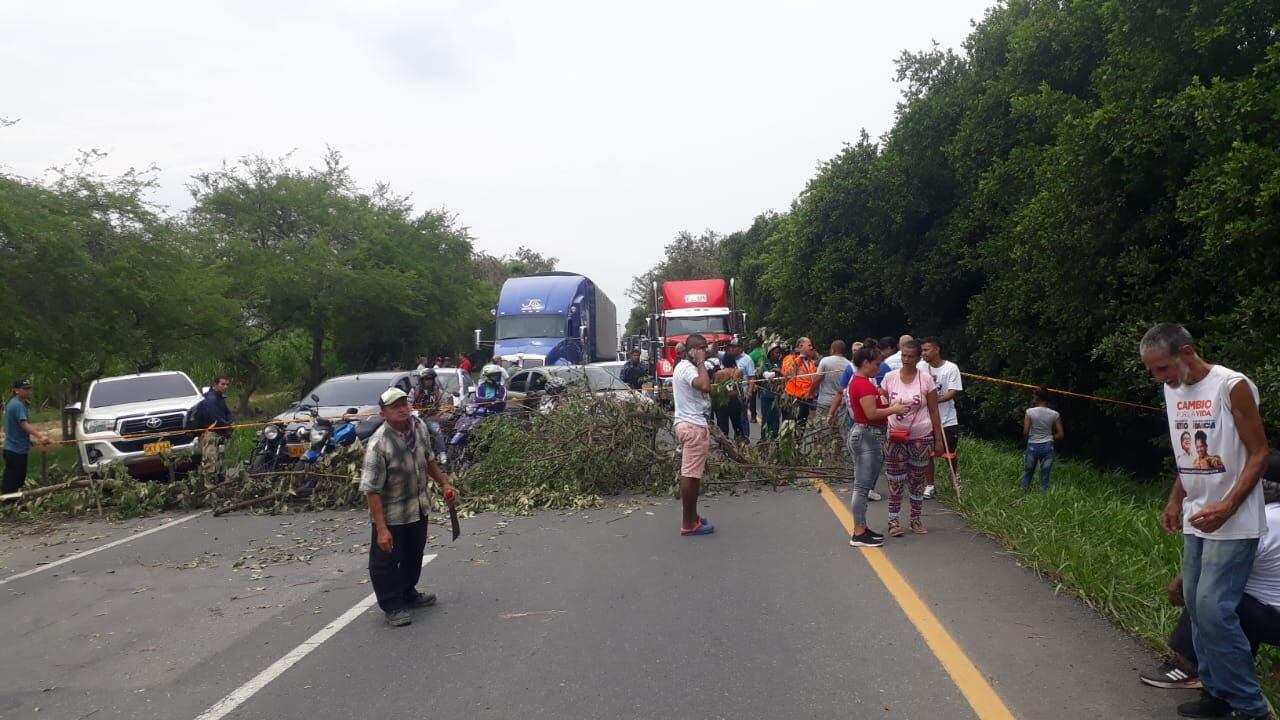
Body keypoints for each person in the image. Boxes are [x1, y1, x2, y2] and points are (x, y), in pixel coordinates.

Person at [1141, 322, 1270, 720]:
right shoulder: (1172, 390)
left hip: (1234, 519)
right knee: (1197, 609)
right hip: (1198, 517)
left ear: (1187, 351)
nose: (1158, 377)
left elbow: (1260, 453)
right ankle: (1216, 693)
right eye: (1152, 371)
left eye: (1162, 368)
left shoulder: (1232, 386)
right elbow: (1191, 453)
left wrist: (1229, 505)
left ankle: (1251, 708)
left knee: (1215, 609)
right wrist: (1175, 500)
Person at [1141, 460, 1280, 692]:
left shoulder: (1263, 520)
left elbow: (1218, 565)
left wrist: (1182, 581)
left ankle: (1188, 666)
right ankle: (1228, 673)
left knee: (1208, 594)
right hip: (1267, 612)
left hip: (1270, 617)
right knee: (1239, 596)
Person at [360, 388, 457, 627]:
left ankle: (408, 592)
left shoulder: (418, 426)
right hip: (391, 514)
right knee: (385, 563)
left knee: (414, 554)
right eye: (395, 406)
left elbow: (428, 458)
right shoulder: (378, 444)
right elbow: (371, 489)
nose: (403, 409)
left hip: (417, 507)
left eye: (404, 403)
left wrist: (444, 483)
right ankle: (391, 606)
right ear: (383, 414)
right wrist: (381, 529)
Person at [845, 347, 911, 547]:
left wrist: (889, 407)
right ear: (865, 363)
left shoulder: (862, 382)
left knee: (862, 485)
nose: (878, 367)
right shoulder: (862, 384)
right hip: (867, 437)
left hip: (866, 435)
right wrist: (895, 409)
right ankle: (858, 532)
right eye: (876, 364)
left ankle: (862, 528)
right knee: (862, 487)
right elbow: (871, 414)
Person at [880, 340, 944, 537]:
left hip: (921, 436)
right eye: (903, 355)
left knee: (917, 480)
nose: (906, 359)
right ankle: (893, 520)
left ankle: (915, 519)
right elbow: (881, 402)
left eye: (910, 356)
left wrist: (938, 439)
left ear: (917, 358)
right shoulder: (890, 378)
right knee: (895, 480)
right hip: (895, 437)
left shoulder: (926, 379)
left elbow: (934, 410)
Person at [673, 333, 714, 536]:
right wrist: (700, 362)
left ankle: (693, 516)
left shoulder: (682, 366)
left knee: (693, 474)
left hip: (687, 424)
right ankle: (688, 523)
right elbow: (704, 385)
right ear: (693, 350)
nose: (705, 352)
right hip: (693, 426)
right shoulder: (689, 368)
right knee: (690, 474)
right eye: (703, 348)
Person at [920, 337, 963, 499]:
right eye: (922, 350)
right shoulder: (920, 367)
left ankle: (955, 479)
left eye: (926, 350)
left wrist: (936, 399)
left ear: (937, 349)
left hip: (947, 418)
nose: (923, 353)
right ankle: (930, 485)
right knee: (927, 454)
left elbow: (954, 391)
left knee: (949, 453)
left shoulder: (951, 368)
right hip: (926, 419)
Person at [4, 379, 50, 494]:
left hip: (14, 448)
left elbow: (13, 428)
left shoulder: (14, 403)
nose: (29, 391)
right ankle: (9, 502)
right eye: (25, 389)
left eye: (29, 388)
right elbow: (23, 424)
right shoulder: (17, 405)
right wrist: (40, 436)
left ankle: (10, 501)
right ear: (16, 390)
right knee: (15, 479)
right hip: (15, 450)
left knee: (14, 478)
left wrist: (29, 441)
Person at [1020, 388, 1064, 490]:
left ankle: (1023, 493)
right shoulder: (1055, 414)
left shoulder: (1029, 412)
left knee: (1028, 472)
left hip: (1032, 446)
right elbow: (1061, 434)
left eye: (1034, 396)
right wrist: (1049, 437)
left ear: (1037, 398)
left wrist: (1026, 440)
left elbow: (1026, 431)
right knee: (1045, 474)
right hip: (1048, 447)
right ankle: (1044, 497)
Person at [192, 375, 233, 479]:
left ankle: (219, 480)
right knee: (210, 460)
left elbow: (227, 413)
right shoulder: (211, 398)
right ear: (215, 385)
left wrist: (229, 424)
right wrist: (227, 426)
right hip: (209, 433)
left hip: (219, 432)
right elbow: (216, 417)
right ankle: (208, 484)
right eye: (222, 384)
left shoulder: (220, 397)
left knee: (220, 458)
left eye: (227, 384)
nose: (225, 387)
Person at [816, 340, 852, 442]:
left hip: (825, 401)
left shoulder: (825, 361)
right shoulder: (848, 364)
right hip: (840, 402)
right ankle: (836, 455)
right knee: (838, 431)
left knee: (822, 429)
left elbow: (818, 379)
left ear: (832, 349)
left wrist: (810, 391)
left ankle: (822, 452)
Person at [412, 368, 448, 463]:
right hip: (416, 418)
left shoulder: (437, 391)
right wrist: (413, 411)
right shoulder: (415, 391)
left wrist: (439, 414)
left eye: (430, 379)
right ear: (421, 380)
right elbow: (408, 403)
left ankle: (441, 452)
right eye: (426, 379)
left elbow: (443, 404)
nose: (428, 381)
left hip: (431, 417)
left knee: (437, 432)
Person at [712, 346, 747, 441]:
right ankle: (741, 444)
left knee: (723, 426)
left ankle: (724, 446)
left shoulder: (719, 373)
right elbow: (739, 387)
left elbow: (716, 389)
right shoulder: (739, 372)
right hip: (735, 400)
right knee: (737, 425)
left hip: (722, 401)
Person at [782, 337, 818, 426]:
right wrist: (798, 360)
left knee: (801, 428)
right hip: (793, 399)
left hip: (806, 399)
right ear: (801, 346)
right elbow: (787, 374)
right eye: (809, 345)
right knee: (790, 428)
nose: (811, 347)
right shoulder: (790, 358)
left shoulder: (811, 362)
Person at [757, 344, 786, 440]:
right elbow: (766, 375)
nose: (778, 354)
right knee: (766, 419)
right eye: (776, 352)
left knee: (776, 420)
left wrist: (779, 370)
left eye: (779, 353)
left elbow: (786, 374)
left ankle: (774, 439)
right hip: (767, 396)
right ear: (770, 353)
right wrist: (778, 372)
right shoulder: (764, 364)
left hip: (777, 396)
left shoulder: (779, 363)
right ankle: (764, 440)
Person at [733, 340, 756, 433]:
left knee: (743, 418)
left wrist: (749, 392)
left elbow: (752, 377)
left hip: (742, 392)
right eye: (731, 347)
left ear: (740, 348)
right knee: (735, 418)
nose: (732, 349)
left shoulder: (747, 359)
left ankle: (745, 439)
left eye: (734, 347)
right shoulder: (730, 357)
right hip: (731, 394)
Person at [747, 339, 764, 424]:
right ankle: (764, 414)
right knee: (764, 396)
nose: (749, 346)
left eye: (750, 345)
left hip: (755, 377)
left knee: (752, 397)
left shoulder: (751, 355)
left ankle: (753, 416)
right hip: (764, 376)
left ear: (753, 345)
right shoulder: (764, 352)